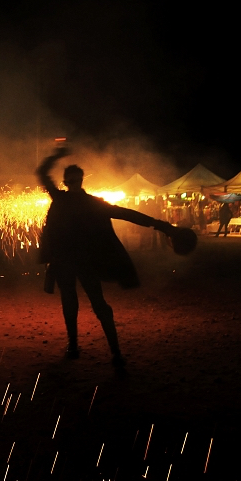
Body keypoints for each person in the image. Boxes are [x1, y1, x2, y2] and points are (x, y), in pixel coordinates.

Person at [37, 146, 178, 367]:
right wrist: (164, 226)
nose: (73, 184)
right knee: (74, 302)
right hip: (71, 261)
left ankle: (110, 351)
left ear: (78, 181)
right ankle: (83, 347)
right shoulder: (83, 202)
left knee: (94, 303)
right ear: (69, 182)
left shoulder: (69, 200)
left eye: (75, 181)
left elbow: (126, 214)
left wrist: (162, 226)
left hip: (80, 261)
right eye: (71, 181)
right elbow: (42, 174)